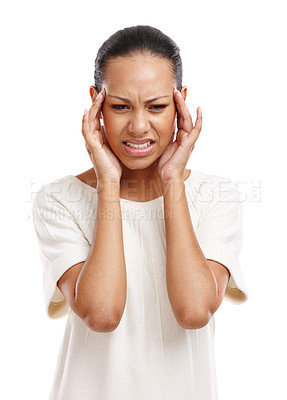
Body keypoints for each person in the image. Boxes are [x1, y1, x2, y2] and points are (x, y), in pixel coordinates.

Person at [32, 25, 248, 400]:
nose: (138, 126)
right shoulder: (60, 199)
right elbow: (101, 313)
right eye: (119, 106)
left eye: (157, 106)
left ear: (180, 101)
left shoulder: (216, 197)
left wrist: (172, 180)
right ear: (95, 103)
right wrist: (109, 185)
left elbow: (194, 310)